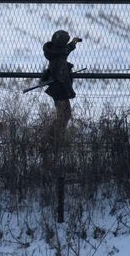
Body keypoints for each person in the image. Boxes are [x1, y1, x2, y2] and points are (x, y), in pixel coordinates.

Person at [41, 30, 80, 161]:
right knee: (64, 116)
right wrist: (70, 92)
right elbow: (63, 78)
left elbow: (66, 49)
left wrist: (73, 43)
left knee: (63, 115)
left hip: (56, 89)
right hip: (60, 90)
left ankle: (51, 140)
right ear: (61, 44)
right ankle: (53, 142)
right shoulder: (60, 59)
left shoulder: (54, 52)